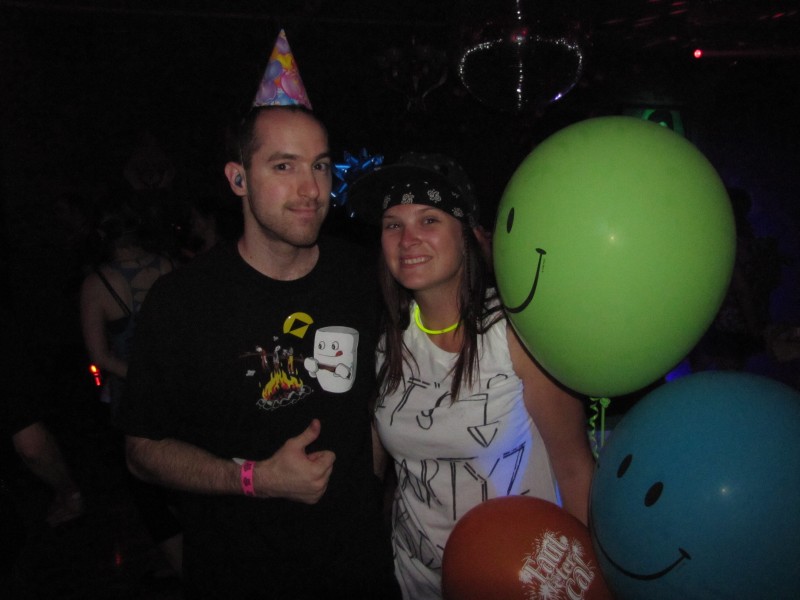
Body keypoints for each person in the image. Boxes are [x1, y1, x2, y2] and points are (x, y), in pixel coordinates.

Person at [114, 101, 399, 598]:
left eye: (320, 166)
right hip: (241, 571)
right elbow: (142, 452)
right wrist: (255, 479)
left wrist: (370, 484)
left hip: (358, 566)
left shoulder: (363, 275)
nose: (311, 189)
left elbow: (379, 394)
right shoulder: (182, 302)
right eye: (284, 166)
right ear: (238, 179)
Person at [349, 153, 595, 599]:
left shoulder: (516, 335)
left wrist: (588, 578)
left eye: (429, 219)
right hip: (418, 582)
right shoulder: (386, 343)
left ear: (466, 234)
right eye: (393, 224)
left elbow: (575, 470)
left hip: (522, 581)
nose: (407, 239)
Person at [79, 194, 183, 578]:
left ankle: (186, 570)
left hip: (135, 401)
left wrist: (143, 377)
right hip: (178, 391)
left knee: (148, 491)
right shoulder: (168, 265)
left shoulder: (96, 284)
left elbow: (100, 355)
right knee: (186, 479)